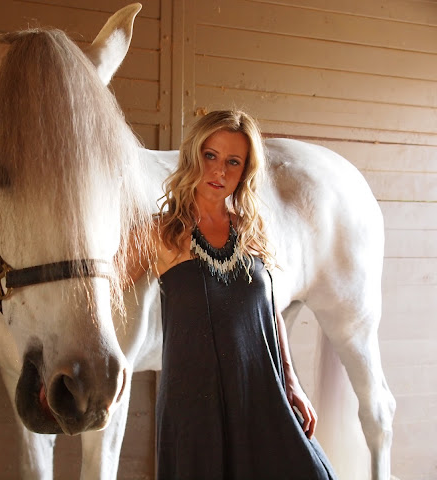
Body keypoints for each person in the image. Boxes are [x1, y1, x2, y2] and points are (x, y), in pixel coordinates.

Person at [128, 110, 336, 479]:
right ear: (193, 155)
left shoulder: (253, 230)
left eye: (233, 162)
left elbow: (269, 313)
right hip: (195, 404)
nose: (219, 171)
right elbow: (101, 295)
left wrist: (291, 382)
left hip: (261, 390)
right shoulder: (158, 232)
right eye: (210, 155)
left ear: (245, 171)